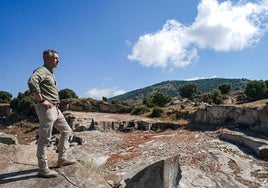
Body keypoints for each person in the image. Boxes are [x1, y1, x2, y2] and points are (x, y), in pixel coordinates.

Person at [28, 49, 76, 178]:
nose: (58, 60)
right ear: (47, 59)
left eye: (58, 58)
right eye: (55, 58)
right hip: (47, 109)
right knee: (44, 139)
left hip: (55, 109)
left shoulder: (50, 72)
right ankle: (43, 169)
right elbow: (32, 82)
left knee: (67, 131)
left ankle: (62, 159)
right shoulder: (41, 70)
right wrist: (42, 100)